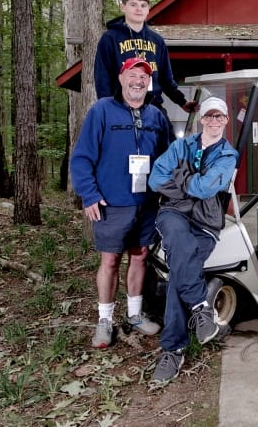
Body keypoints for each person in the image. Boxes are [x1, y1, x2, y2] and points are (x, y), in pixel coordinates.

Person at [70, 57, 171, 348]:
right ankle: (104, 321)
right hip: (111, 203)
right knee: (110, 260)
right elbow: (82, 157)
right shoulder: (102, 111)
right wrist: (89, 194)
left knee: (139, 256)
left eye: (144, 76)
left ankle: (135, 315)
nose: (138, 81)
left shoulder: (156, 116)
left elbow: (166, 159)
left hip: (147, 202)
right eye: (133, 74)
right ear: (121, 77)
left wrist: (168, 189)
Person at [148, 96, 238, 384]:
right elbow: (154, 178)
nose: (213, 121)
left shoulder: (227, 155)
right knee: (176, 237)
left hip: (205, 223)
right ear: (201, 119)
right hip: (173, 214)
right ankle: (201, 308)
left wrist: (181, 180)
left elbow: (205, 187)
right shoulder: (181, 146)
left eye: (219, 117)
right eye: (209, 116)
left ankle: (173, 349)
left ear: (225, 120)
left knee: (179, 269)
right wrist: (191, 185)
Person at [94, 0, 197, 115]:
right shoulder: (110, 39)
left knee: (168, 134)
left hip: (152, 107)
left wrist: (182, 102)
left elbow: (166, 79)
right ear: (123, 7)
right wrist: (108, 110)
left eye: (143, 5)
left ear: (148, 9)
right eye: (133, 5)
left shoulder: (157, 41)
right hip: (120, 107)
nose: (139, 9)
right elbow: (102, 79)